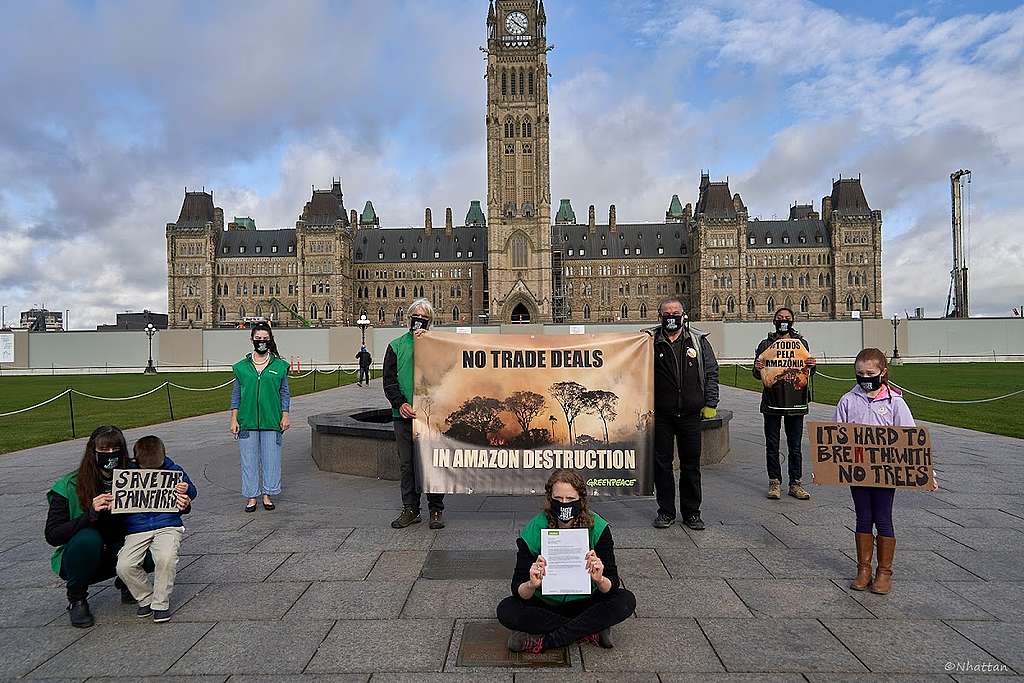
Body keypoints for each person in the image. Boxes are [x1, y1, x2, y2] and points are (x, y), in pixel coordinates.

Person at [496, 469, 636, 653]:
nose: (564, 504)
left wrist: (600, 579)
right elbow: (517, 588)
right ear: (549, 498)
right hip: (546, 603)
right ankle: (589, 630)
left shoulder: (598, 527)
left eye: (570, 499)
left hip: (586, 601)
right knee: (506, 609)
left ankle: (546, 640)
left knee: (625, 600)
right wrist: (531, 584)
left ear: (581, 499)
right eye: (558, 499)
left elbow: (612, 582)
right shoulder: (533, 530)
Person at [833, 348, 936, 594]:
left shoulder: (896, 403)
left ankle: (884, 572)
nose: (865, 377)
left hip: (885, 472)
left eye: (870, 373)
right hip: (858, 471)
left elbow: (911, 440)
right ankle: (864, 568)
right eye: (860, 373)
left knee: (883, 518)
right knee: (862, 517)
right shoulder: (848, 400)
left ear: (883, 372)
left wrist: (927, 474)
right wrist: (826, 470)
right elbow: (836, 439)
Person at [44, 425, 151, 628]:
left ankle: (128, 580)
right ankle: (76, 597)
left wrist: (182, 503)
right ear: (92, 451)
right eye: (104, 450)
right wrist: (89, 515)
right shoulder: (70, 485)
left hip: (120, 546)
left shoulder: (135, 473)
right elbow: (52, 535)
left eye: (115, 449)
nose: (110, 454)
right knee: (88, 539)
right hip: (85, 552)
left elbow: (164, 482)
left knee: (158, 541)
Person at [647, 297, 719, 530]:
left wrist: (710, 402)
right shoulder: (649, 341)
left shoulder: (697, 341)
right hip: (661, 414)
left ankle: (692, 512)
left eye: (675, 312)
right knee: (662, 465)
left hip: (690, 414)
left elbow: (711, 372)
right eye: (667, 313)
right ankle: (666, 511)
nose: (671, 316)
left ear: (683, 315)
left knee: (691, 465)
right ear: (660, 317)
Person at [115, 436, 196, 623]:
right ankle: (145, 598)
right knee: (124, 565)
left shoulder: (174, 470)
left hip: (168, 524)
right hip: (137, 527)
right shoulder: (128, 472)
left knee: (165, 558)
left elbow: (193, 492)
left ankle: (161, 604)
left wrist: (186, 490)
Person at [383, 298, 445, 529]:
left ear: (429, 321)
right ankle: (411, 509)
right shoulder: (396, 346)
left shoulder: (438, 347)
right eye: (416, 315)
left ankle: (436, 510)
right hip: (404, 416)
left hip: (430, 418)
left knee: (432, 464)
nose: (419, 320)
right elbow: (389, 381)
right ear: (409, 317)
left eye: (424, 317)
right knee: (407, 465)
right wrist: (399, 403)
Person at [752, 307, 816, 500]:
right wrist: (757, 367)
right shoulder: (765, 344)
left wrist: (812, 366)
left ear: (792, 321)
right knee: (772, 444)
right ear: (774, 321)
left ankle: (795, 483)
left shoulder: (801, 343)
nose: (783, 320)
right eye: (780, 318)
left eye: (787, 318)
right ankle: (774, 482)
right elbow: (757, 374)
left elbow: (806, 371)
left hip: (795, 402)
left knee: (795, 445)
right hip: (772, 401)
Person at [230, 322, 290, 513]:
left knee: (271, 459)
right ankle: (251, 496)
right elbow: (236, 395)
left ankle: (267, 494)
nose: (261, 342)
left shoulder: (279, 366)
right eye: (258, 339)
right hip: (247, 420)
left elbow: (284, 392)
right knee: (249, 460)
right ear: (252, 340)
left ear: (270, 340)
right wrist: (234, 418)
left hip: (271, 420)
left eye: (265, 339)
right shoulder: (241, 367)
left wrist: (285, 415)